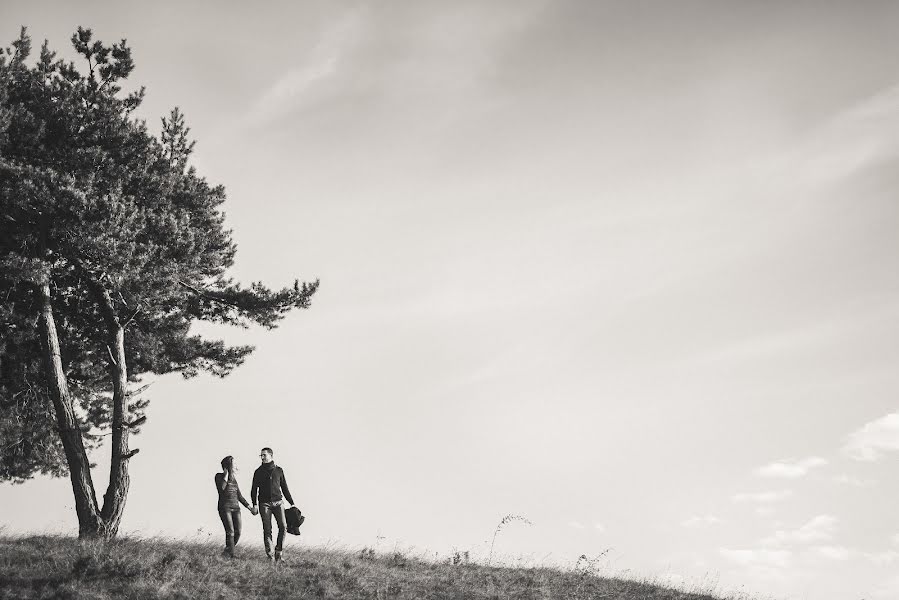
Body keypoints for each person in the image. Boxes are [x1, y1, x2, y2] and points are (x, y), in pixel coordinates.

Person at [250, 447, 295, 562]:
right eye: (261, 455)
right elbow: (254, 489)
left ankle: (278, 553)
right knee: (267, 529)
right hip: (264, 504)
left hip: (278, 502)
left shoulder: (279, 470)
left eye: (264, 455)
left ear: (271, 456)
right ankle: (270, 556)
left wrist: (292, 503)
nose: (262, 457)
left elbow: (284, 487)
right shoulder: (258, 471)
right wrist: (254, 504)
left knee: (283, 527)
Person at [215, 456, 257, 558]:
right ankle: (232, 555)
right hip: (225, 508)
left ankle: (227, 551)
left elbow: (239, 496)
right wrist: (226, 474)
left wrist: (249, 507)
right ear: (229, 466)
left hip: (236, 508)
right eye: (234, 464)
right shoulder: (219, 476)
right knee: (230, 531)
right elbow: (222, 489)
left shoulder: (234, 480)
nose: (236, 467)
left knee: (238, 532)